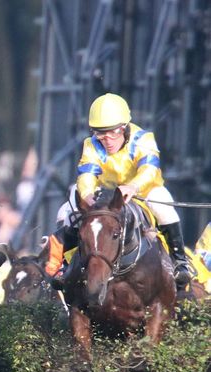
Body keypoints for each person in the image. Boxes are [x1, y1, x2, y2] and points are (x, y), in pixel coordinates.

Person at [47, 92, 193, 290]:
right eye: (100, 133)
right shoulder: (91, 145)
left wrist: (133, 186)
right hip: (106, 194)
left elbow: (149, 170)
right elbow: (86, 175)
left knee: (163, 204)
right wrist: (87, 194)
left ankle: (180, 262)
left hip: (142, 191)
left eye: (112, 132)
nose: (107, 139)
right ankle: (64, 266)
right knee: (66, 209)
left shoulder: (143, 139)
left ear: (124, 127)